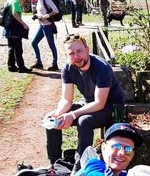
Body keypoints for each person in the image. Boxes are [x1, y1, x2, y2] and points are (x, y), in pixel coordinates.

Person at [43, 33, 126, 168]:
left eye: (79, 51)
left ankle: (81, 165)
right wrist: (58, 114)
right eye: (71, 53)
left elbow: (100, 103)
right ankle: (54, 162)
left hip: (110, 106)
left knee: (84, 121)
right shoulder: (68, 68)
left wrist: (73, 114)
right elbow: (66, 99)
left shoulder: (101, 67)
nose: (76, 57)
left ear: (87, 49)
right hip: (88, 103)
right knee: (52, 119)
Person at [29, 0, 59, 71]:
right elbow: (40, 12)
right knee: (34, 43)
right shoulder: (39, 0)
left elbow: (55, 10)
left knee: (51, 45)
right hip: (41, 26)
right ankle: (38, 62)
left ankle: (55, 64)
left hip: (48, 25)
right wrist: (36, 16)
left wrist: (45, 16)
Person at [4, 0, 31, 73]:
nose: (23, 3)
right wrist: (24, 24)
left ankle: (11, 66)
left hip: (8, 28)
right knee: (18, 49)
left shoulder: (10, 0)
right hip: (15, 29)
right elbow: (15, 13)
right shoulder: (16, 2)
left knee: (11, 48)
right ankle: (21, 67)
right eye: (24, 0)